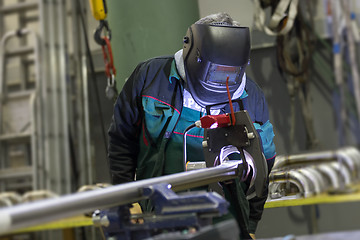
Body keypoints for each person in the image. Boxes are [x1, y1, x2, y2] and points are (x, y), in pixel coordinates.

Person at [108, 12, 276, 239]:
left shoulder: (251, 97)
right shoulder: (150, 78)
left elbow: (262, 165)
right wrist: (127, 202)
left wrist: (250, 226)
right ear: (191, 51)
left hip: (226, 219)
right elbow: (121, 142)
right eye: (214, 71)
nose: (220, 81)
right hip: (158, 214)